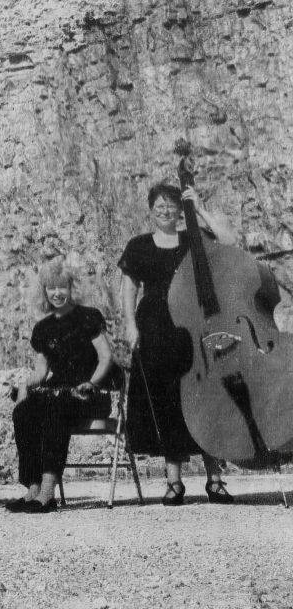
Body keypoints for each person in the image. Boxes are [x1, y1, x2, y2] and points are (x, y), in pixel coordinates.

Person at [120, 180, 237, 505]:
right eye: (159, 205)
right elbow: (129, 288)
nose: (166, 210)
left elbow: (228, 241)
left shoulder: (192, 239)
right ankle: (174, 482)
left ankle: (215, 480)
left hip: (192, 326)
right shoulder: (139, 245)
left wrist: (197, 207)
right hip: (155, 327)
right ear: (150, 209)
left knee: (206, 399)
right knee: (166, 402)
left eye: (171, 205)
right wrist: (130, 325)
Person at [6, 256, 116, 514]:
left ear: (72, 288)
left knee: (55, 408)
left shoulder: (89, 317)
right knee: (23, 411)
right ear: (44, 291)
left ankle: (47, 491)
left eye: (62, 287)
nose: (57, 293)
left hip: (90, 392)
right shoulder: (43, 328)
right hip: (59, 391)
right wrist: (24, 385)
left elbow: (106, 357)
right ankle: (32, 488)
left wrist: (92, 382)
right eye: (51, 288)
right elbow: (41, 372)